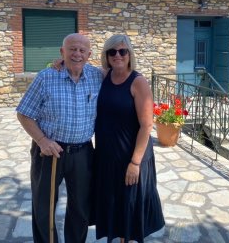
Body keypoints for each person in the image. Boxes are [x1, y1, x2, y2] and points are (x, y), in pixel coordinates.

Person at [16, 32, 104, 243]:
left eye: (82, 50)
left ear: (89, 54)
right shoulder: (46, 77)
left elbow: (122, 70)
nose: (77, 54)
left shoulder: (97, 75)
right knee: (44, 206)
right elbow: (24, 113)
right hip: (49, 151)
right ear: (62, 52)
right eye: (72, 49)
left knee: (81, 207)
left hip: (83, 151)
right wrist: (42, 140)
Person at [92, 33, 165, 243]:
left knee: (130, 207)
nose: (117, 55)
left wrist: (135, 163)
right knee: (116, 204)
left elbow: (146, 125)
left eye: (122, 51)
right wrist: (60, 62)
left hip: (131, 156)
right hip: (108, 156)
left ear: (129, 54)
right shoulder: (104, 76)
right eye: (112, 51)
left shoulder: (137, 81)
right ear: (106, 55)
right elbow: (78, 65)